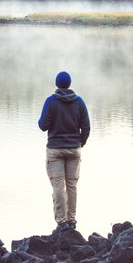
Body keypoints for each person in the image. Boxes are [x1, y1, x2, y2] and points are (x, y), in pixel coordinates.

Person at [38, 70, 90, 232]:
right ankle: (72, 220)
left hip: (55, 149)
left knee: (58, 186)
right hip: (74, 149)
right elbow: (86, 126)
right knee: (72, 185)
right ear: (69, 84)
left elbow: (42, 126)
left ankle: (61, 222)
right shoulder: (79, 101)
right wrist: (80, 143)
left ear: (57, 84)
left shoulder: (51, 101)